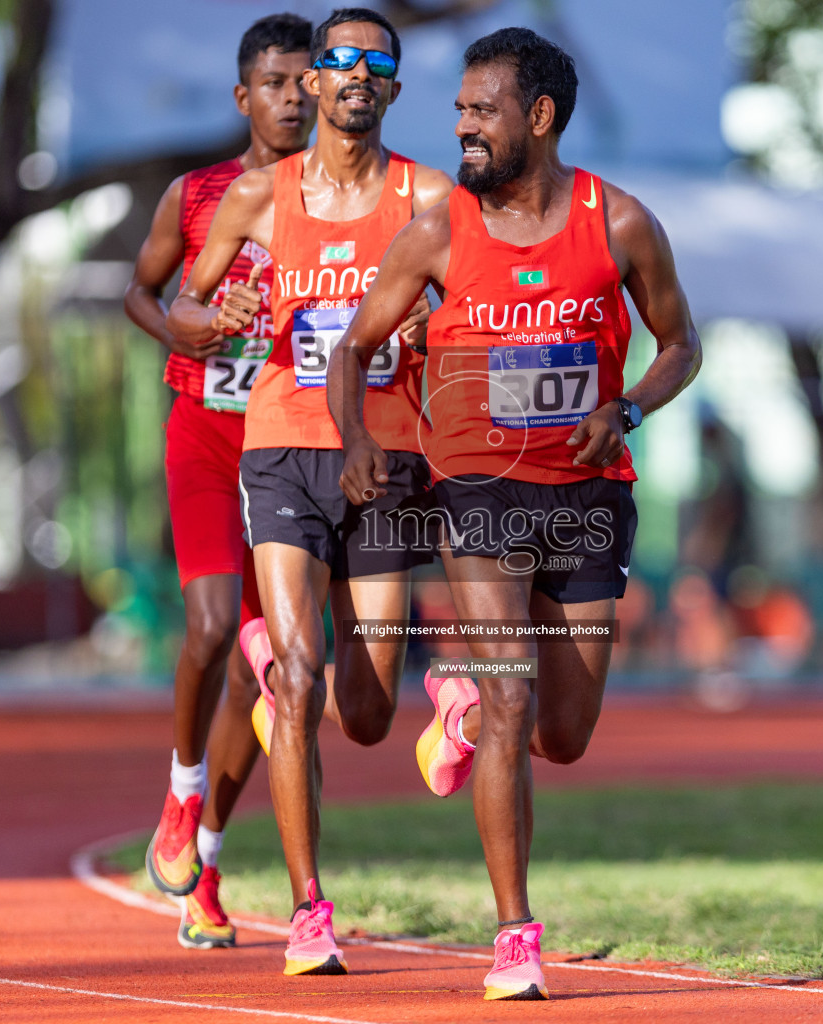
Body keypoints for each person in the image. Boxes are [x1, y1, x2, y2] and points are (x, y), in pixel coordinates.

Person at [328, 26, 701, 1001]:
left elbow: (681, 344)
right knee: (512, 696)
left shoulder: (618, 225)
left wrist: (628, 407)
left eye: (480, 109)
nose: (462, 127)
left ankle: (457, 700)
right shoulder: (441, 230)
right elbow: (352, 348)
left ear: (538, 116)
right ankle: (515, 934)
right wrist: (361, 443)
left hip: (587, 498)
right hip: (478, 493)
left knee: (564, 732)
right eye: (458, 110)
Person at [166, 7, 452, 977]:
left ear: (393, 90)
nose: (357, 73)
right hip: (283, 448)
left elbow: (476, 304)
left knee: (366, 712)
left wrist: (429, 333)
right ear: (314, 86)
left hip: (386, 459)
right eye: (340, 61)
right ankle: (306, 908)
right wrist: (225, 311)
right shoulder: (258, 195)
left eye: (378, 62)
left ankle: (417, 701)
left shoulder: (427, 194)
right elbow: (186, 304)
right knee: (295, 673)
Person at [122, 13, 313, 951]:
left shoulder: (344, 203)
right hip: (206, 434)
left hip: (292, 445)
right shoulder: (199, 194)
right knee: (209, 623)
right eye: (274, 82)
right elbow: (143, 290)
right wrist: (184, 329)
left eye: (304, 81)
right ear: (244, 96)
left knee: (263, 667)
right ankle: (180, 789)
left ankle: (207, 854)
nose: (292, 97)